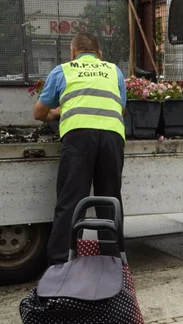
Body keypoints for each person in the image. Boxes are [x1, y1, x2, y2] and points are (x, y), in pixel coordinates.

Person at [32, 32, 127, 265]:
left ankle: (62, 262)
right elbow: (120, 109)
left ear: (73, 53)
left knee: (71, 201)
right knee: (110, 199)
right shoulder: (114, 71)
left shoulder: (63, 70)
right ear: (99, 54)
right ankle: (112, 261)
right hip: (112, 136)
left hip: (78, 137)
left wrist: (58, 112)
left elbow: (38, 113)